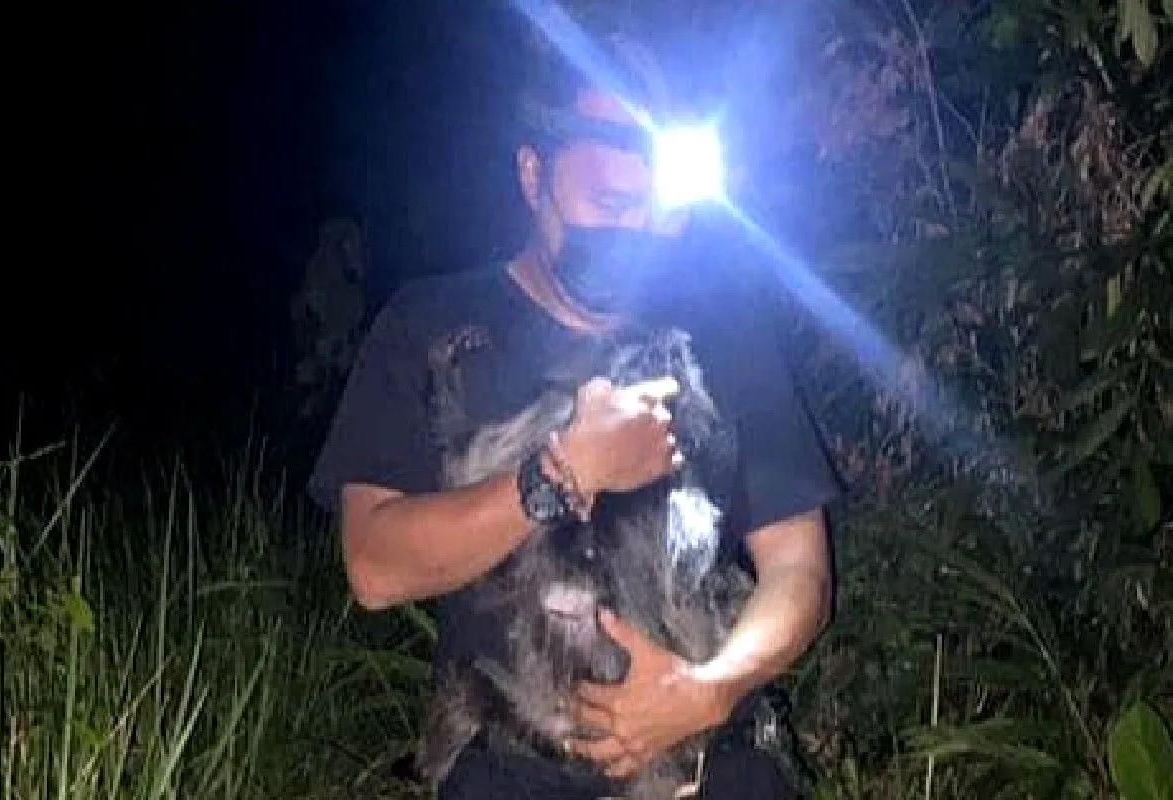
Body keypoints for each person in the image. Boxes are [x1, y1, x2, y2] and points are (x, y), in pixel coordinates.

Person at [308, 20, 842, 800]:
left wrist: (710, 687)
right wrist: (563, 474)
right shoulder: (431, 326)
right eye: (608, 202)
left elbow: (800, 567)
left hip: (712, 760)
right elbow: (374, 566)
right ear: (534, 175)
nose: (634, 233)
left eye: (655, 211)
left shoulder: (726, 334)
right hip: (510, 762)